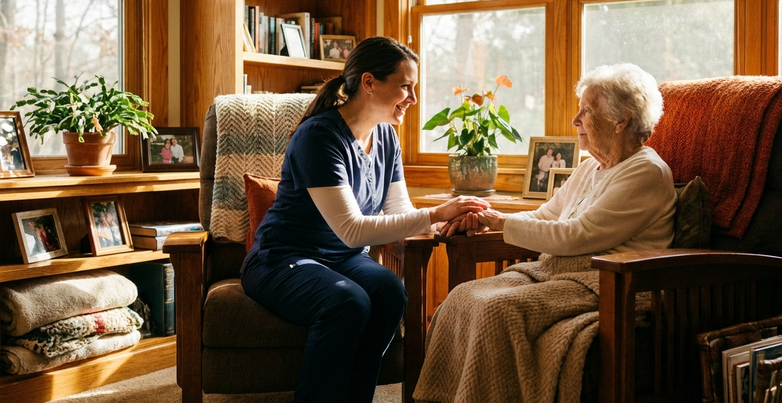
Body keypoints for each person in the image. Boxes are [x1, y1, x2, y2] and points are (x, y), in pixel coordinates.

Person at [240, 36, 489, 402]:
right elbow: (352, 229)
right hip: (282, 259)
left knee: (390, 291)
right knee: (348, 301)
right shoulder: (319, 137)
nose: (413, 98)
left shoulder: (386, 137)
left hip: (341, 258)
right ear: (369, 82)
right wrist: (436, 212)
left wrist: (448, 222)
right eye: (405, 87)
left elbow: (401, 213)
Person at [415, 63, 677, 403]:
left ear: (621, 120)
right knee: (461, 297)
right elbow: (545, 216)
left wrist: (499, 221)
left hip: (608, 282)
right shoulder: (590, 167)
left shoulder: (646, 172)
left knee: (497, 310)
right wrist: (485, 219)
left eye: (587, 111)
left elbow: (576, 235)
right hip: (559, 272)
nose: (575, 120)